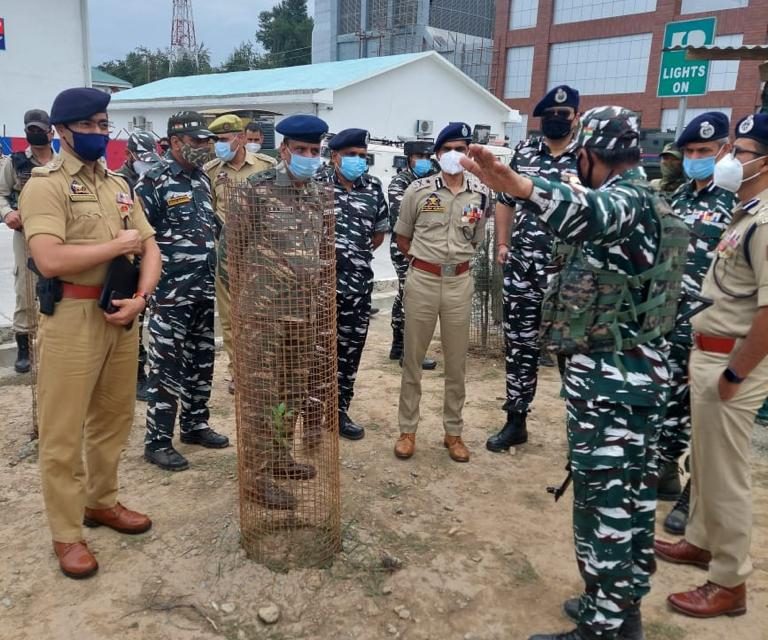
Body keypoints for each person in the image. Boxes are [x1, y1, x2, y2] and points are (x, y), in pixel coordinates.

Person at [461, 106, 689, 640]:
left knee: (607, 507)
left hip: (616, 385)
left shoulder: (626, 199)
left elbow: (590, 214)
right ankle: (616, 611)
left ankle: (605, 628)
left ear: (587, 155)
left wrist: (519, 185)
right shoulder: (649, 193)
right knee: (627, 504)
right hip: (627, 379)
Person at [19, 87, 161, 579]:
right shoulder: (46, 184)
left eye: (105, 124)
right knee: (62, 433)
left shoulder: (118, 182)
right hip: (71, 319)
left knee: (114, 419)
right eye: (90, 125)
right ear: (62, 131)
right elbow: (49, 258)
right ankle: (67, 534)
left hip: (121, 314)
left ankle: (101, 501)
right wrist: (113, 245)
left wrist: (141, 299)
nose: (100, 133)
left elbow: (149, 245)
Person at [655, 113, 768, 619]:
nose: (728, 159)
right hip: (709, 352)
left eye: (739, 152)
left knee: (725, 477)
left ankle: (729, 582)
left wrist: (735, 374)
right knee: (703, 462)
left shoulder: (765, 222)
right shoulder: (745, 213)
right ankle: (700, 541)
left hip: (731, 362)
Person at [234, 114, 330, 509]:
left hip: (303, 313)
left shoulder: (319, 194)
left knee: (290, 391)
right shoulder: (253, 192)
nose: (309, 157)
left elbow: (321, 252)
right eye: (302, 150)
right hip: (264, 315)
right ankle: (254, 479)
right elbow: (232, 254)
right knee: (260, 396)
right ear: (284, 150)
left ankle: (278, 458)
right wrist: (253, 299)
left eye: (315, 150)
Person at [487, 85, 581, 452]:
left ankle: (579, 431)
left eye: (564, 115)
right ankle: (516, 420)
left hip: (570, 274)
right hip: (523, 267)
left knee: (571, 351)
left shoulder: (587, 158)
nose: (556, 121)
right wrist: (503, 243)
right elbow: (505, 200)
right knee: (520, 346)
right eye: (550, 116)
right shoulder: (524, 153)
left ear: (577, 117)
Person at [656, 113, 735, 536]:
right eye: (690, 152)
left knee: (705, 414)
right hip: (671, 323)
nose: (696, 158)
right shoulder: (680, 198)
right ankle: (666, 472)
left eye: (705, 151)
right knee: (671, 404)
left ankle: (694, 494)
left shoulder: (739, 204)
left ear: (723, 151)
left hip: (714, 327)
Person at [393, 122, 491, 463]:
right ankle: (408, 430)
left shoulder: (480, 192)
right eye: (448, 148)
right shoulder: (418, 191)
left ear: (468, 154)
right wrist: (426, 262)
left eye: (462, 149)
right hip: (422, 279)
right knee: (413, 360)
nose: (455, 154)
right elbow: (402, 236)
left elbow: (477, 238)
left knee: (456, 363)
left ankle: (454, 433)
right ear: (437, 154)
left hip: (459, 283)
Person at [138, 111, 229, 472]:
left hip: (203, 290)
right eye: (198, 141)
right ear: (176, 142)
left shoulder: (200, 179)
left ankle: (195, 425)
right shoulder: (154, 183)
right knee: (166, 368)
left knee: (201, 362)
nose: (205, 147)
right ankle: (157, 441)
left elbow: (210, 228)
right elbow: (142, 241)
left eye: (208, 141)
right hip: (170, 293)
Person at [317, 128, 389, 440]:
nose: (358, 161)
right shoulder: (314, 184)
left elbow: (377, 235)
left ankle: (338, 410)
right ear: (335, 157)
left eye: (362, 156)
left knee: (349, 352)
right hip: (318, 288)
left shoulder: (372, 186)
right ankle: (311, 414)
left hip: (357, 287)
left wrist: (350, 257)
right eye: (351, 156)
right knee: (316, 353)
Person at [204, 114, 276, 395]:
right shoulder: (211, 171)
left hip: (261, 257)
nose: (219, 146)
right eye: (216, 141)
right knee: (232, 318)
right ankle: (239, 372)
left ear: (243, 137)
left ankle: (264, 368)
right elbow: (208, 212)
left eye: (225, 139)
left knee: (263, 317)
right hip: (228, 257)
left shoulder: (267, 167)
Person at [0, 109, 57, 373]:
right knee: (25, 287)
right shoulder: (15, 163)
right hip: (26, 235)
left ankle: (53, 343)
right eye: (30, 128)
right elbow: (0, 194)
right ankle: (24, 346)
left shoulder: (61, 162)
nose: (34, 133)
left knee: (56, 288)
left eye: (39, 128)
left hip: (58, 235)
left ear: (51, 131)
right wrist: (8, 212)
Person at [115, 131, 163, 401]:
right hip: (128, 261)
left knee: (146, 317)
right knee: (133, 320)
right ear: (129, 156)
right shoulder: (119, 182)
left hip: (150, 258)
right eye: (142, 159)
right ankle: (136, 376)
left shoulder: (153, 179)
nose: (147, 164)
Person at [388, 140, 438, 370]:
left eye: (428, 156)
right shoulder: (400, 182)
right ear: (409, 158)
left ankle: (398, 344)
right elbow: (406, 216)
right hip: (405, 247)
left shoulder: (436, 177)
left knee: (404, 293)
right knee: (413, 297)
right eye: (419, 156)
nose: (424, 161)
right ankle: (409, 353)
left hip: (428, 248)